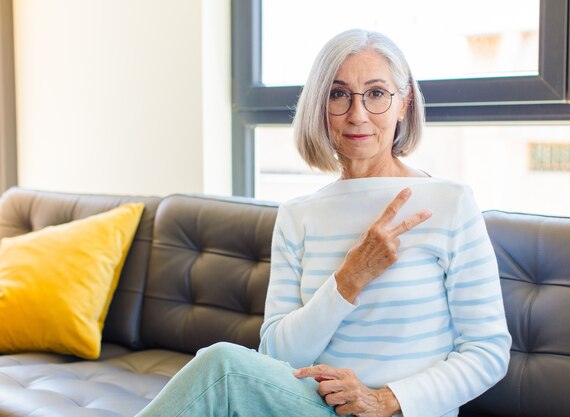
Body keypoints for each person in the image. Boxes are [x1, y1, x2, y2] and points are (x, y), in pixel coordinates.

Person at [136, 29, 511, 417]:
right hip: (308, 406)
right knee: (226, 371)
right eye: (338, 94)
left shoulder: (449, 203)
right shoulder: (298, 216)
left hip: (397, 412)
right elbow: (278, 354)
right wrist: (349, 278)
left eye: (377, 93)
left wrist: (384, 399)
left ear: (404, 103)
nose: (357, 114)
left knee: (223, 368)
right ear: (320, 106)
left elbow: (488, 351)